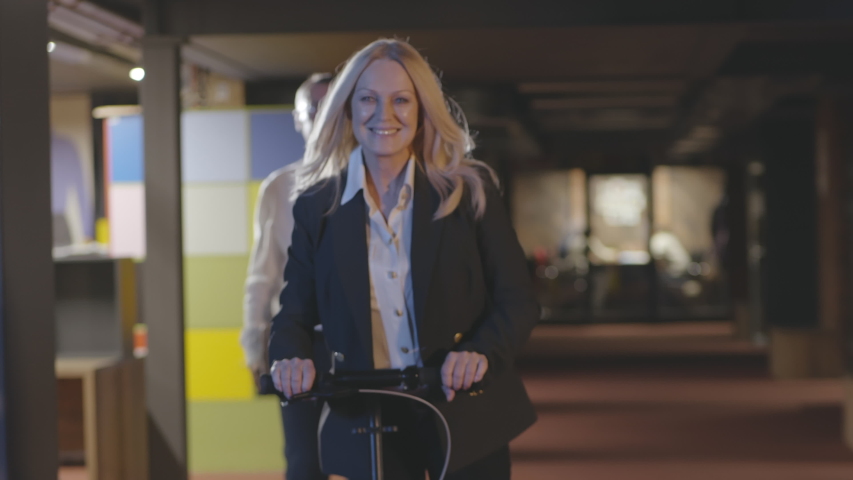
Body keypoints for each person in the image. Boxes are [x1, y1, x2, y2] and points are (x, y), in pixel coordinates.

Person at [269, 39, 540, 480]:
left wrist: (480, 352)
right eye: (368, 100)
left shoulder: (468, 194)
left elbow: (518, 300)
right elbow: (293, 315)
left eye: (401, 100)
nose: (384, 115)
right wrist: (291, 356)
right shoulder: (317, 207)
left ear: (422, 109)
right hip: (374, 416)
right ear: (349, 109)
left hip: (466, 406)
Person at [240, 72, 332, 480]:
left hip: (364, 338)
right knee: (304, 459)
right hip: (300, 342)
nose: (323, 117)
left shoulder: (372, 179)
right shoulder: (279, 187)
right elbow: (263, 272)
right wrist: (253, 338)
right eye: (313, 108)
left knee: (371, 452)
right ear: (297, 119)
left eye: (333, 107)